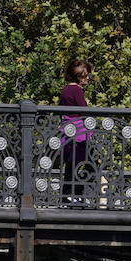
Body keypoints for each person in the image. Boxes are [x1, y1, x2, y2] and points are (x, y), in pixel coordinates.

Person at [58, 57, 92, 205]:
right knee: (85, 164)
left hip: (67, 129)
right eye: (86, 75)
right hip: (78, 132)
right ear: (79, 77)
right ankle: (76, 194)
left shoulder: (65, 89)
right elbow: (83, 110)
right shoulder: (77, 90)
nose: (88, 78)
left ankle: (67, 194)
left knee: (71, 164)